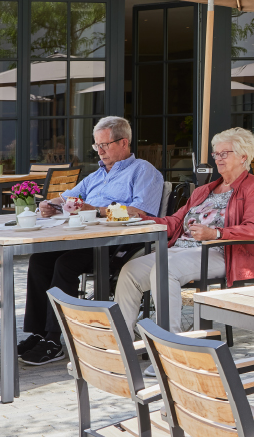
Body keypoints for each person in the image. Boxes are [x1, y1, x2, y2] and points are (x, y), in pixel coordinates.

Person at [113, 127, 254, 363]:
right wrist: (141, 218)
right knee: (130, 271)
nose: (218, 159)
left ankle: (170, 349)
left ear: (243, 156)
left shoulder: (253, 187)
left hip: (221, 252)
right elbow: (175, 222)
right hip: (182, 251)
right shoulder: (205, 190)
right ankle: (122, 344)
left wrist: (214, 232)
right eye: (216, 154)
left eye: (224, 153)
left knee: (165, 270)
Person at [19, 116, 164, 366]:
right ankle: (41, 333)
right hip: (85, 238)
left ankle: (56, 339)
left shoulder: (143, 170)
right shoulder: (96, 175)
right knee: (40, 259)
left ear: (124, 142)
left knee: (66, 263)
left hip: (119, 243)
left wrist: (95, 209)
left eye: (105, 145)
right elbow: (66, 197)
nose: (100, 150)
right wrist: (49, 204)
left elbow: (140, 213)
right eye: (97, 145)